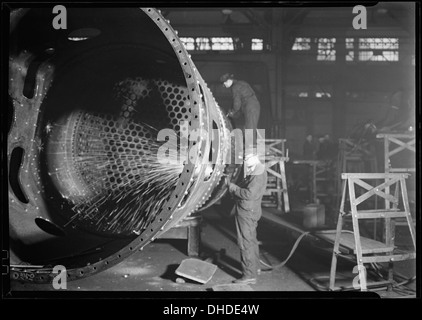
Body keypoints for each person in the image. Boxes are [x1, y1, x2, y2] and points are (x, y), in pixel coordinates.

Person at [226, 149, 267, 284]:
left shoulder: (258, 173)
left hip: (247, 211)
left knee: (245, 241)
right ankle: (255, 268)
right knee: (252, 240)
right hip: (251, 210)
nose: (244, 161)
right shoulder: (257, 169)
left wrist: (234, 188)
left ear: (254, 157)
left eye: (246, 158)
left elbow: (250, 194)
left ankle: (249, 275)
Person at [220, 73, 261, 148]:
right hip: (252, 106)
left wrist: (231, 112)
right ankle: (251, 149)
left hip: (250, 107)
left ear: (229, 80)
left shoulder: (235, 87)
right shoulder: (241, 83)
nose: (225, 85)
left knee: (250, 129)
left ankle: (252, 152)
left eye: (225, 83)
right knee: (248, 128)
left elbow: (237, 104)